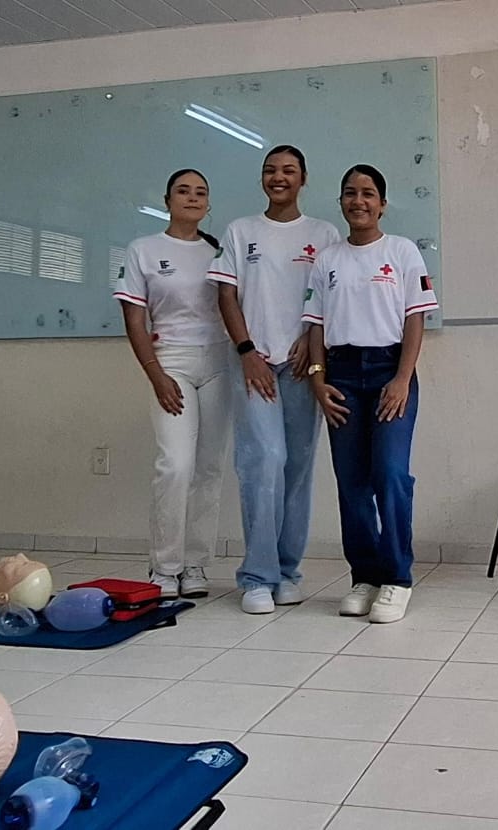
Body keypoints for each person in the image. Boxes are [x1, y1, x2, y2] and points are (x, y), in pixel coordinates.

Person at [302, 164, 438, 624]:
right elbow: (316, 326)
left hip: (389, 371)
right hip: (341, 375)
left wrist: (401, 379)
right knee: (352, 481)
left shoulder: (401, 252)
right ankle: (365, 576)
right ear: (340, 202)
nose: (357, 201)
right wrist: (318, 379)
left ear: (382, 203)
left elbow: (415, 319)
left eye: (367, 193)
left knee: (390, 474)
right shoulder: (327, 259)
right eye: (349, 193)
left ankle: (396, 578)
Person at [209, 145, 341, 615]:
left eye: (288, 170)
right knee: (264, 461)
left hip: (304, 363)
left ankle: (287, 572)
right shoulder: (240, 231)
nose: (278, 177)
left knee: (298, 467)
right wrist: (247, 352)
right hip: (255, 362)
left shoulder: (324, 234)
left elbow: (329, 297)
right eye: (270, 170)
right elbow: (227, 296)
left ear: (304, 178)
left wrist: (311, 341)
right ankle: (257, 577)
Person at [114, 169, 228, 599]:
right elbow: (134, 319)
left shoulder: (218, 251)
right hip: (171, 363)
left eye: (201, 192)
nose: (192, 198)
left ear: (208, 204)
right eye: (183, 191)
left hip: (218, 362)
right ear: (167, 200)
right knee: (175, 464)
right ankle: (164, 567)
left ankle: (195, 564)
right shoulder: (143, 249)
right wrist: (155, 373)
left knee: (208, 468)